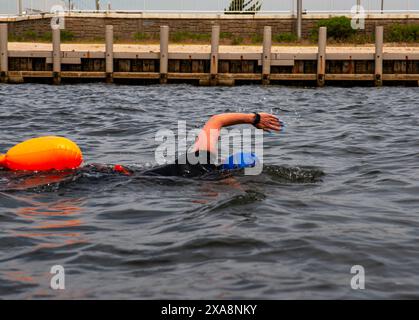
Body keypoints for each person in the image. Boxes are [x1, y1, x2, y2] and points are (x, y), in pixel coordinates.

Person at [143, 112, 282, 177]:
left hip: (137, 177)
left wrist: (254, 118)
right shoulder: (207, 182)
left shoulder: (201, 158)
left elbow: (217, 120)